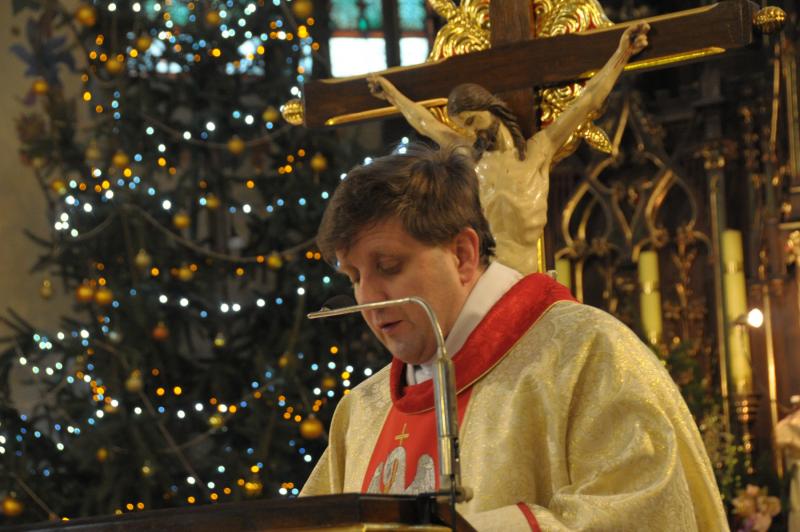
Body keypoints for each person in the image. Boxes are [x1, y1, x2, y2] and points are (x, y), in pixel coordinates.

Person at [301, 144, 728, 531]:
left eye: (389, 267)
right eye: (354, 276)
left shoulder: (589, 355)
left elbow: (644, 513)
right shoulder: (363, 411)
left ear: (462, 255)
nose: (369, 299)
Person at [367, 22, 651, 275]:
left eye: (472, 121)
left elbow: (587, 101)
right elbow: (425, 123)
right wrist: (391, 94)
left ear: (490, 108)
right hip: (487, 282)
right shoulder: (471, 159)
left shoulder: (539, 151)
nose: (471, 132)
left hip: (529, 278)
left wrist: (622, 53)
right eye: (464, 126)